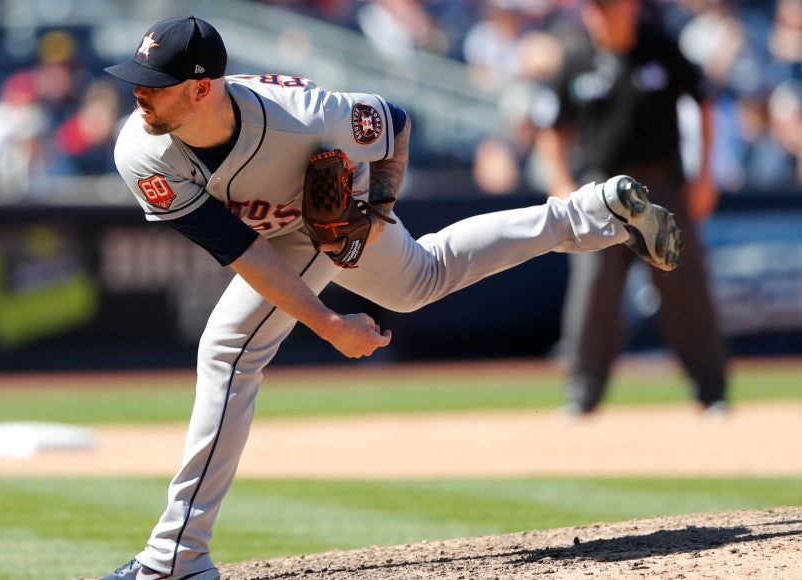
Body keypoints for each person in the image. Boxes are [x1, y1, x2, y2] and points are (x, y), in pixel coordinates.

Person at [99, 15, 681, 580]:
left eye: (152, 86)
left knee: (228, 351)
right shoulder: (143, 151)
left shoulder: (307, 118)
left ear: (201, 89)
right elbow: (243, 251)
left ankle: (176, 556)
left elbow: (393, 122)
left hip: (323, 210)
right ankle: (593, 210)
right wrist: (329, 321)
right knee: (421, 280)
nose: (138, 97)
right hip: (278, 229)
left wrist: (377, 208)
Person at [531, 0, 729, 416]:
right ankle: (582, 395)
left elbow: (705, 102)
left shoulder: (661, 47)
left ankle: (713, 393)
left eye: (610, 6)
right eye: (596, 8)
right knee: (593, 291)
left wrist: (706, 174)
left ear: (632, 7)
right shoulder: (576, 56)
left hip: (660, 188)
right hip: (598, 191)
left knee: (685, 289)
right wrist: (560, 183)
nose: (602, 14)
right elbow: (551, 128)